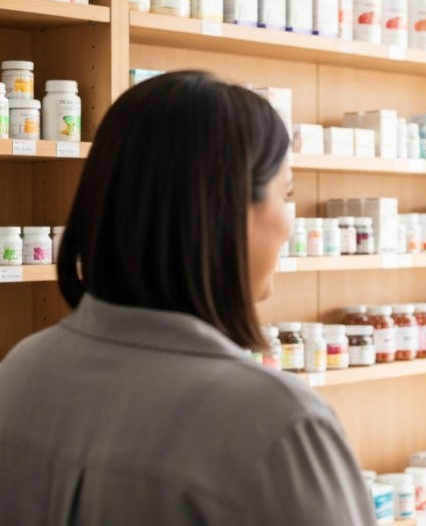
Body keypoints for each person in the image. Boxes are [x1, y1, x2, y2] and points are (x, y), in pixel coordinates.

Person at [0, 72, 376, 526]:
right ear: (225, 212)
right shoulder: (277, 424)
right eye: (286, 194)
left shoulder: (19, 371)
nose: (290, 225)